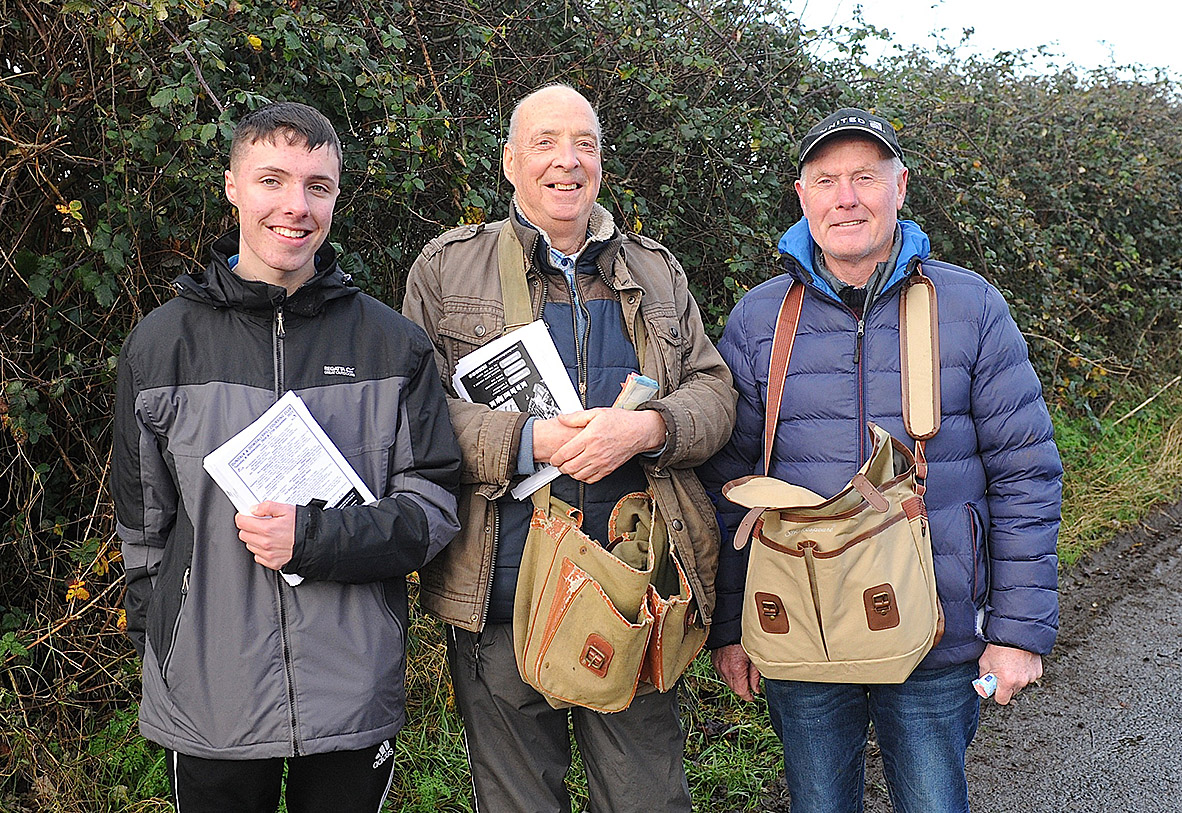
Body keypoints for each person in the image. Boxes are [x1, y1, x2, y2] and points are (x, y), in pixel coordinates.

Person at [700, 107, 1063, 812]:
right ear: (801, 196)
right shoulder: (758, 319)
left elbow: (1026, 473)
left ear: (901, 186)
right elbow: (727, 485)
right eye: (827, 180)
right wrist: (731, 626)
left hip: (937, 626)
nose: (846, 197)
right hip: (799, 628)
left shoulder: (971, 306)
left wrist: (1017, 631)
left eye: (865, 177)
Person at [111, 101, 461, 812]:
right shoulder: (159, 347)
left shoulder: (393, 346)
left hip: (349, 692)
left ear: (337, 196)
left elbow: (433, 511)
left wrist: (313, 538)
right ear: (234, 186)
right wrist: (170, 650)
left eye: (318, 186)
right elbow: (143, 532)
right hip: (211, 697)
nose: (295, 206)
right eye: (273, 180)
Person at [402, 83, 736, 813]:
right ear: (510, 162)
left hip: (633, 589)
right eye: (546, 143)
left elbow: (715, 393)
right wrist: (529, 439)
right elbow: (415, 416)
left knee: (648, 797)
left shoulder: (656, 271)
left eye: (584, 143)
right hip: (501, 592)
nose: (567, 161)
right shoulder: (445, 268)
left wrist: (649, 429)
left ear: (601, 166)